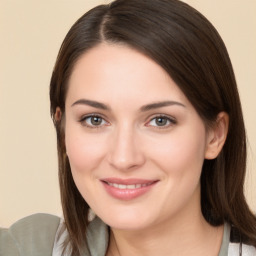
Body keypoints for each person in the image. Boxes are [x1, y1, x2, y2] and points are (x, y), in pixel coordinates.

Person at [1, 0, 255, 255]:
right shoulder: (27, 247)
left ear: (216, 134)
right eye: (95, 119)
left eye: (160, 120)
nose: (124, 158)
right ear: (63, 128)